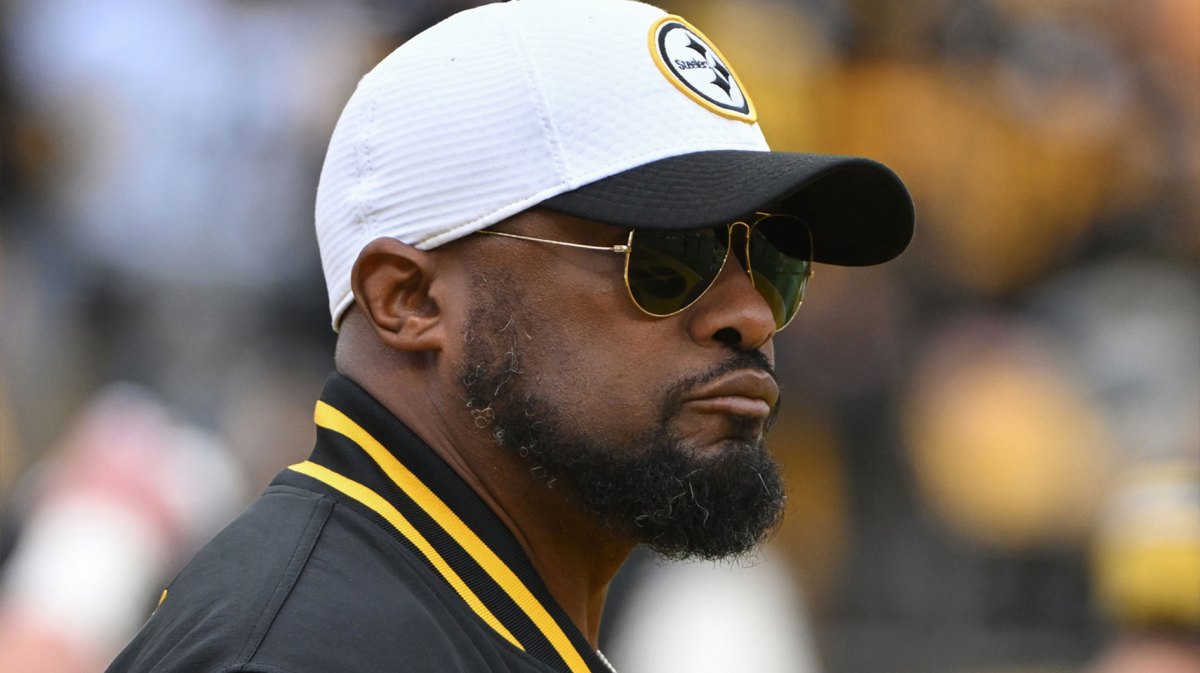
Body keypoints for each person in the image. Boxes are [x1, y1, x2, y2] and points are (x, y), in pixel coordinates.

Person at [106, 1, 913, 671]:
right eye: (672, 253)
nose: (751, 314)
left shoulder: (447, 610)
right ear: (410, 300)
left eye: (772, 257)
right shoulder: (309, 650)